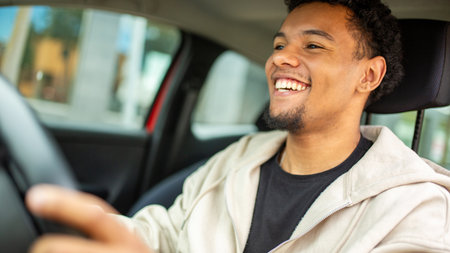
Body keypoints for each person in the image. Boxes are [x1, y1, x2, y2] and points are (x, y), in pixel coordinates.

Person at [26, 0, 450, 252]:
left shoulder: (418, 209)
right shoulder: (234, 161)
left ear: (369, 76)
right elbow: (163, 236)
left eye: (313, 45)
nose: (280, 57)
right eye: (279, 44)